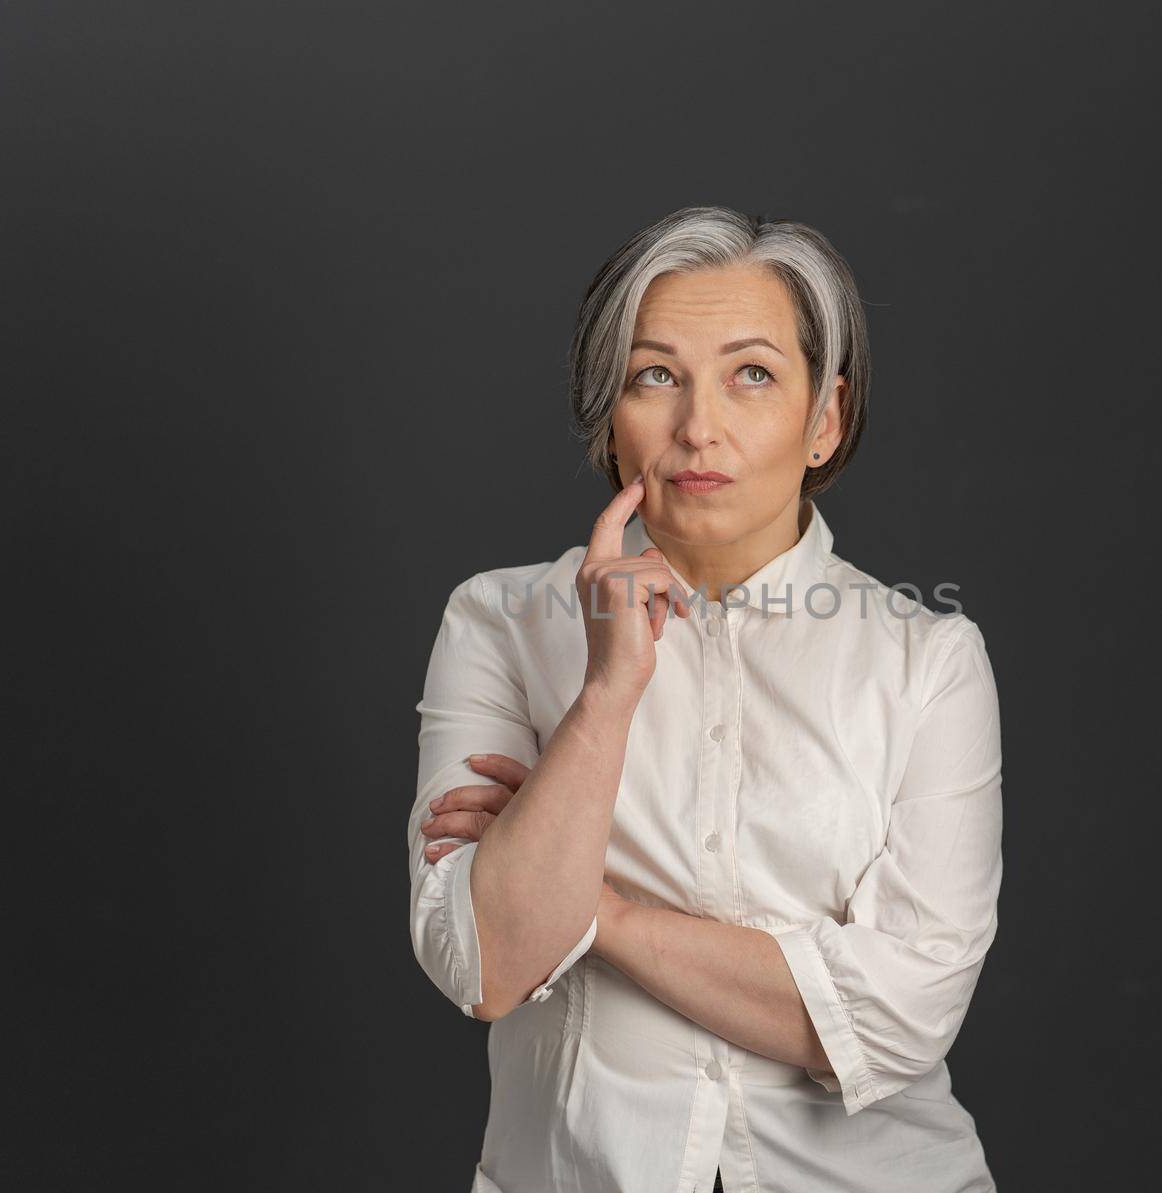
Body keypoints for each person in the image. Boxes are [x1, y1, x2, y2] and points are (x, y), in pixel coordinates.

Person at [408, 205, 1004, 1192]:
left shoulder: (926, 658)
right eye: (656, 375)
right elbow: (485, 962)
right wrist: (604, 696)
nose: (698, 425)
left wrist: (590, 906)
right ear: (611, 413)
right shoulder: (501, 620)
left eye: (752, 373)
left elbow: (898, 1019)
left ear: (826, 420)